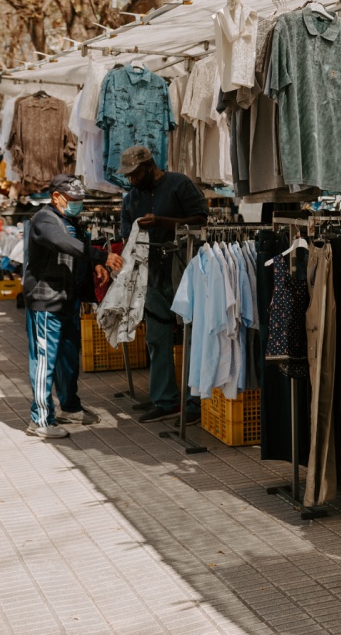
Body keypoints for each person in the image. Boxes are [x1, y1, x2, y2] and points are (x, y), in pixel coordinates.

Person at [24, 175, 123, 439]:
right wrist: (102, 255)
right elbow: (64, 244)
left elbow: (77, 250)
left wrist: (95, 265)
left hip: (69, 299)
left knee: (68, 360)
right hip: (47, 301)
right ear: (57, 197)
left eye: (81, 201)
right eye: (74, 200)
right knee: (45, 360)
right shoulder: (44, 219)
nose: (78, 205)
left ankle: (69, 407)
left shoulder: (70, 220)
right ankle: (41, 420)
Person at [117, 145, 208, 424]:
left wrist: (162, 222)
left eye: (135, 174)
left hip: (184, 269)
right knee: (157, 337)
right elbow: (125, 234)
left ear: (149, 166)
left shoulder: (179, 183)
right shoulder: (131, 197)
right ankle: (165, 400)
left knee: (192, 335)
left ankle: (195, 402)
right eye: (128, 176)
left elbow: (201, 218)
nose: (131, 180)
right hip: (151, 274)